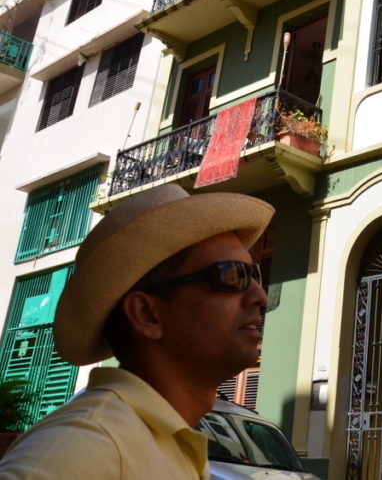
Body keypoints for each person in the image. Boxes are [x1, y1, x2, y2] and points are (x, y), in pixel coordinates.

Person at [0, 184, 274, 479]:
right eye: (232, 276)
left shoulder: (167, 439)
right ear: (147, 315)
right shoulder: (88, 445)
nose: (260, 296)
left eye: (253, 274)